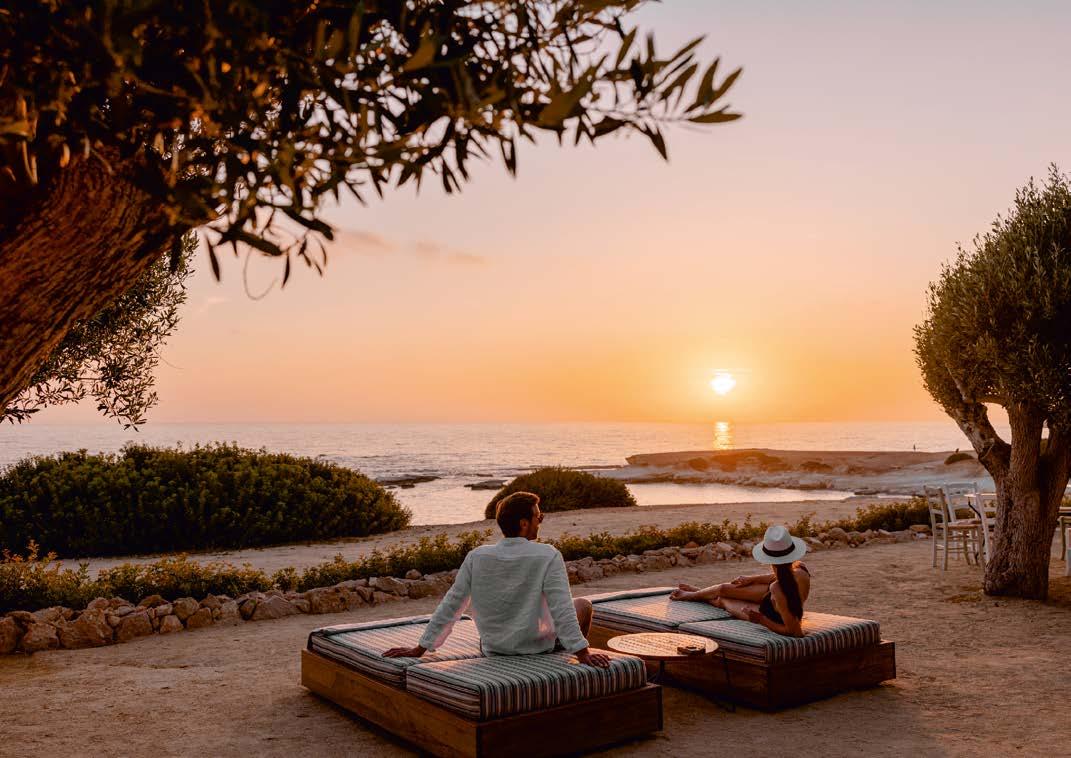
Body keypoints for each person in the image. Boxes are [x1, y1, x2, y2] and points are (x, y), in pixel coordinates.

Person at [382, 491, 611, 667]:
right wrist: (583, 653)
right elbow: (562, 608)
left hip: (493, 648)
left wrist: (421, 648)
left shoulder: (477, 556)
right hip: (537, 647)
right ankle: (558, 660)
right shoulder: (547, 555)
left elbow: (452, 603)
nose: (539, 522)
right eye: (538, 517)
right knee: (583, 605)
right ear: (524, 523)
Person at [668, 525, 810, 637]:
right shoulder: (800, 570)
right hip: (776, 602)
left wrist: (761, 620)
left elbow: (795, 632)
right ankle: (700, 592)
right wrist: (751, 579)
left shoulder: (777, 589)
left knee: (723, 600)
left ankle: (694, 596)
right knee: (723, 589)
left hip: (773, 617)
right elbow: (781, 576)